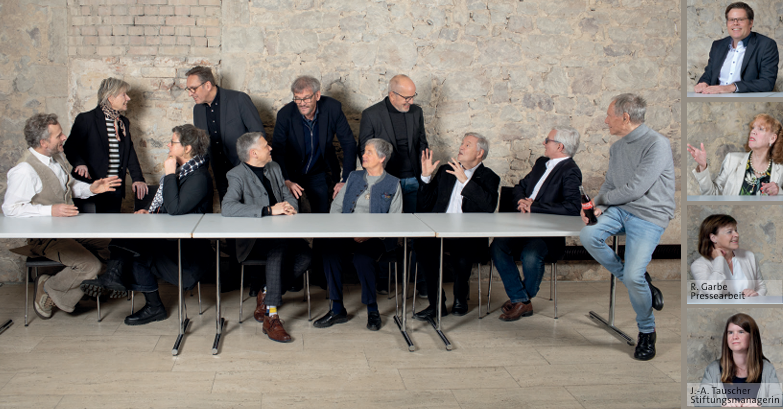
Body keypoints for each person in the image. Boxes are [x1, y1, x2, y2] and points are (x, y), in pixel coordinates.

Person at [80, 125, 214, 326]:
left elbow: (175, 209)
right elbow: (169, 208)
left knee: (135, 249)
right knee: (130, 237)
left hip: (187, 253)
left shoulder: (199, 177)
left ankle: (122, 282)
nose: (168, 145)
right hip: (171, 240)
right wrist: (150, 213)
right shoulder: (185, 172)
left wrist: (169, 173)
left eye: (173, 142)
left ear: (187, 148)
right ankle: (117, 279)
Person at [579, 94, 674, 361]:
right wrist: (596, 206)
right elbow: (611, 184)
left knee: (633, 277)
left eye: (609, 115)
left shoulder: (657, 144)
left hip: (649, 214)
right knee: (588, 234)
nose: (605, 120)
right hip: (621, 210)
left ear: (625, 117)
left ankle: (647, 331)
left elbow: (635, 189)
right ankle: (640, 282)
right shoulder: (618, 148)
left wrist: (604, 200)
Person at [3, 113, 121, 319]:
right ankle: (49, 287)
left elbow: (68, 187)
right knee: (90, 266)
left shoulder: (56, 158)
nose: (64, 137)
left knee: (115, 247)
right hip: (45, 237)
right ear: (43, 142)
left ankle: (81, 287)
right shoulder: (24, 171)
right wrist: (49, 211)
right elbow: (10, 208)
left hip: (70, 229)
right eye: (58, 135)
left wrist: (92, 188)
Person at [221, 132, 312, 343]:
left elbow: (287, 195)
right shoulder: (236, 175)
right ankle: (272, 316)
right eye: (265, 146)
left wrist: (289, 207)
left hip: (283, 232)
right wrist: (269, 210)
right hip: (255, 240)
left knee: (306, 256)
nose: (270, 148)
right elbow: (228, 207)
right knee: (278, 249)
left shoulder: (274, 167)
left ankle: (266, 292)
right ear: (254, 153)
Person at [490, 127, 582, 321]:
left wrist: (534, 206)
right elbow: (520, 187)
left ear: (560, 146)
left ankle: (520, 301)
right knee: (498, 246)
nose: (543, 143)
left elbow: (573, 207)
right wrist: (522, 201)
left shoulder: (571, 171)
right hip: (521, 225)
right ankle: (522, 300)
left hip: (546, 233)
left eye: (547, 140)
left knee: (531, 255)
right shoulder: (541, 163)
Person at [313, 138, 402, 331]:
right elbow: (336, 207)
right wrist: (342, 230)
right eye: (364, 151)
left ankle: (372, 310)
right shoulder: (354, 176)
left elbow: (395, 221)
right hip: (347, 232)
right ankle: (337, 309)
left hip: (377, 237)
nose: (364, 155)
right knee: (329, 251)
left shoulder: (393, 184)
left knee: (362, 259)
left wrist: (370, 234)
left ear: (382, 158)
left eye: (369, 152)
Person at [413, 133, 500, 320]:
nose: (461, 147)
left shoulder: (489, 177)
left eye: (467, 145)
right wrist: (426, 177)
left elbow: (489, 206)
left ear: (479, 153)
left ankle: (461, 297)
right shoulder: (445, 171)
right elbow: (425, 205)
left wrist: (466, 181)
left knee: (462, 254)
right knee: (422, 247)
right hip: (440, 231)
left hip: (468, 235)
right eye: (462, 143)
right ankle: (437, 304)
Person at [271, 75, 357, 213]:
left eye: (306, 98)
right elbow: (278, 150)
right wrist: (285, 179)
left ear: (317, 95)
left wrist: (346, 179)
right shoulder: (285, 114)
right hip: (291, 173)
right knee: (290, 213)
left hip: (317, 172)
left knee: (321, 213)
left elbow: (349, 144)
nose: (302, 103)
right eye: (297, 98)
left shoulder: (333, 108)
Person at [63, 77, 148, 213]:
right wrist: (79, 163)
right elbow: (70, 146)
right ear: (110, 98)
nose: (128, 98)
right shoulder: (86, 119)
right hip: (89, 187)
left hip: (114, 189)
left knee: (113, 225)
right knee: (88, 226)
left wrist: (138, 179)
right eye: (123, 95)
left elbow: (129, 151)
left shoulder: (123, 122)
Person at [187, 65, 265, 200]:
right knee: (227, 210)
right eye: (188, 89)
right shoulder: (197, 110)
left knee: (253, 210)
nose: (190, 94)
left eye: (193, 89)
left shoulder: (239, 99)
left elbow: (258, 134)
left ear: (207, 85)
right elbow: (201, 145)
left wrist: (251, 166)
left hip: (247, 171)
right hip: (220, 176)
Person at [359, 74, 427, 213]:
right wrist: (377, 179)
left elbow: (422, 144)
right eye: (407, 98)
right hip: (385, 180)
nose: (411, 101)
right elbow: (364, 151)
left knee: (413, 222)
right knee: (385, 223)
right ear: (392, 95)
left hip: (413, 180)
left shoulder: (417, 112)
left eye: (413, 96)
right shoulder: (371, 115)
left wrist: (424, 175)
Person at [694, 313, 782, 407]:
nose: (734, 337)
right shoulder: (713, 369)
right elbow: (700, 401)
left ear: (752, 337)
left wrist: (760, 404)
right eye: (730, 332)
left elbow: (779, 400)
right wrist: (721, 404)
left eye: (741, 332)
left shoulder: (767, 369)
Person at [694, 2, 779, 94]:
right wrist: (703, 83)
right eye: (731, 20)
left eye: (740, 19)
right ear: (727, 23)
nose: (735, 23)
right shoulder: (717, 45)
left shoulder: (766, 45)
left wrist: (732, 87)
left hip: (745, 101)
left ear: (751, 22)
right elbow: (708, 75)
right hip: (715, 99)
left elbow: (767, 83)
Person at [689, 113, 783, 196]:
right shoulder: (732, 160)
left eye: (761, 129)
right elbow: (712, 194)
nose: (753, 131)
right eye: (753, 128)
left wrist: (779, 192)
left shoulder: (780, 170)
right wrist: (702, 166)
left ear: (772, 138)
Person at [691, 214, 766, 298]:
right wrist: (719, 259)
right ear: (713, 238)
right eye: (729, 232)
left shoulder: (748, 256)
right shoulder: (699, 265)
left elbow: (761, 287)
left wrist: (756, 294)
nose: (736, 234)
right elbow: (713, 292)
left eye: (736, 230)